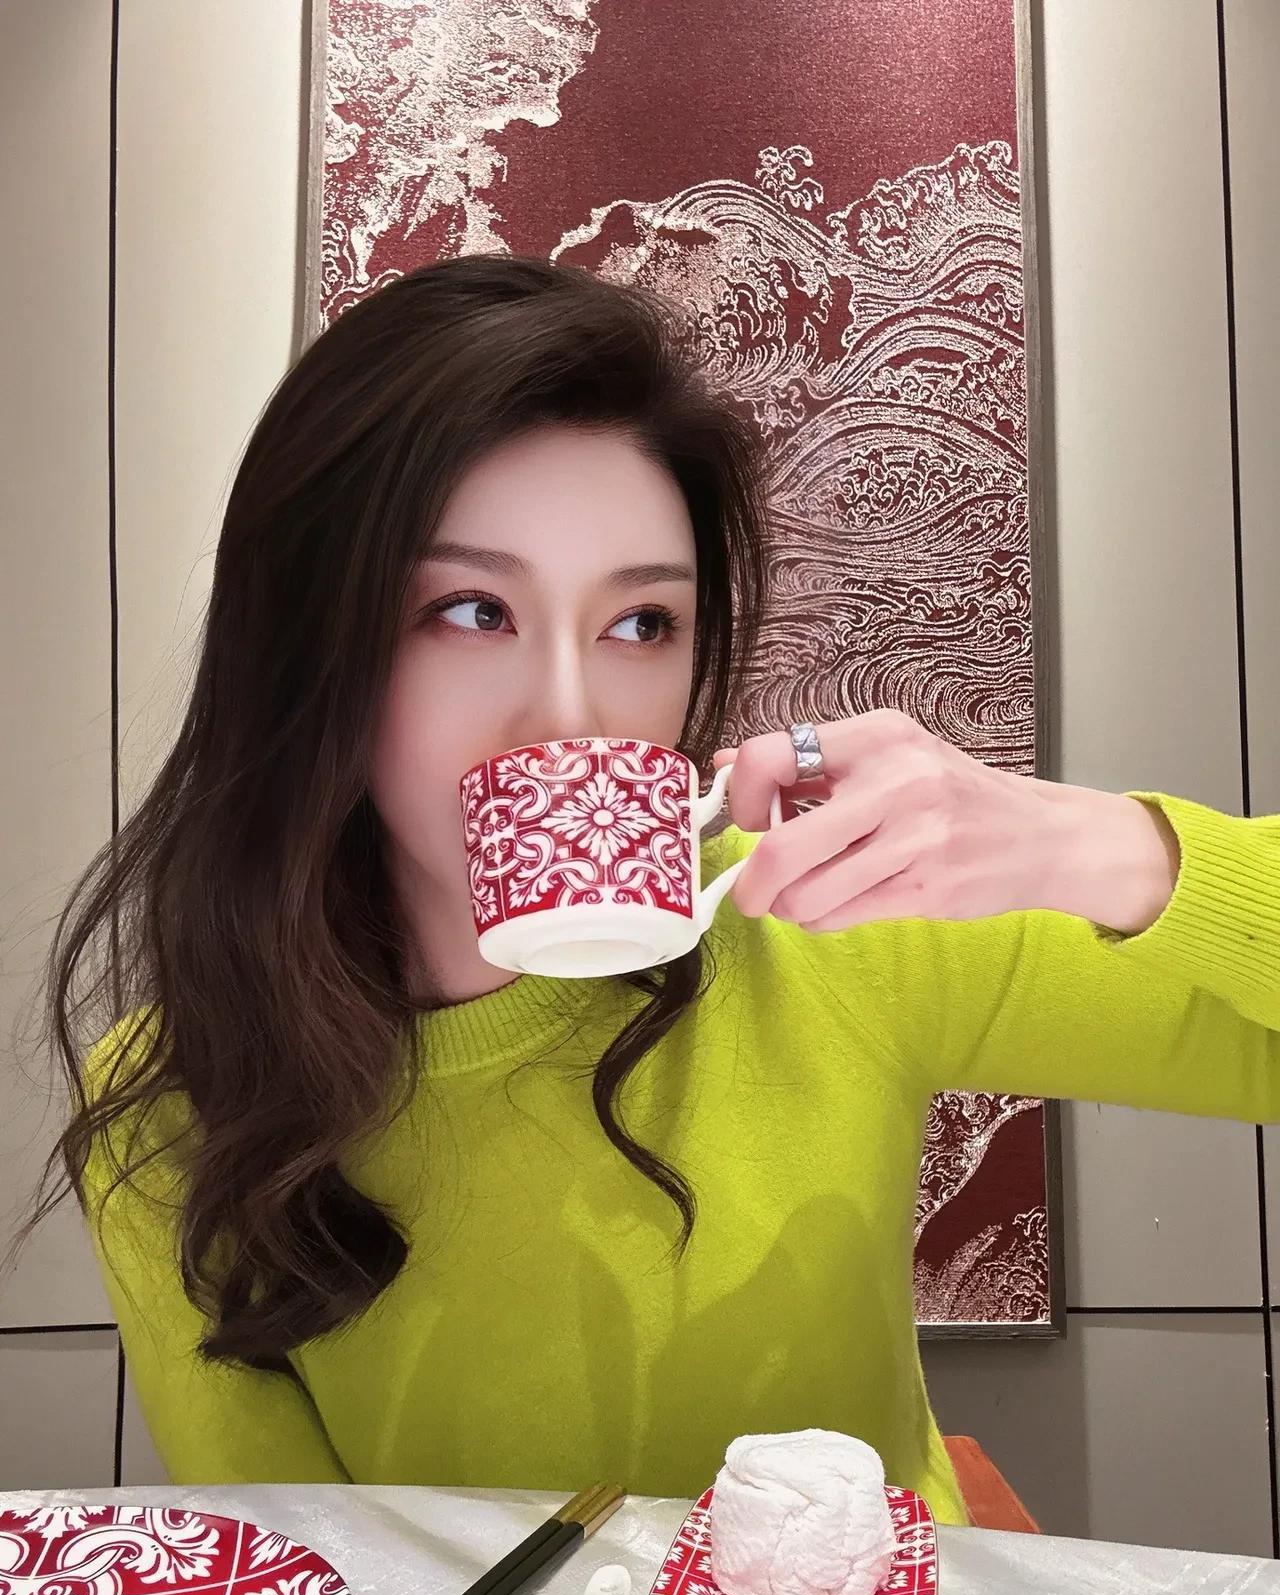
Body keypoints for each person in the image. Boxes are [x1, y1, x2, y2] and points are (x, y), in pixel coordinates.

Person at [19, 255, 1278, 1527]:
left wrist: (1103, 848)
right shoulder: (176, 1107)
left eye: (640, 625)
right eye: (469, 609)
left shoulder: (823, 913)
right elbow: (317, 1577)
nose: (570, 716)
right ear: (307, 647)